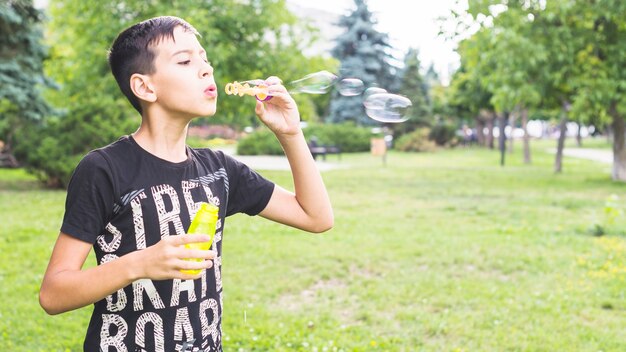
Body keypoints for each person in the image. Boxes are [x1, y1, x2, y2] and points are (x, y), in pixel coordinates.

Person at [39, 16, 333, 351]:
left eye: (205, 59)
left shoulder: (220, 170)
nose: (206, 69)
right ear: (145, 87)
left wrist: (290, 134)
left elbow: (316, 217)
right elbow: (53, 294)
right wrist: (139, 264)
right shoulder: (104, 169)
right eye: (185, 61)